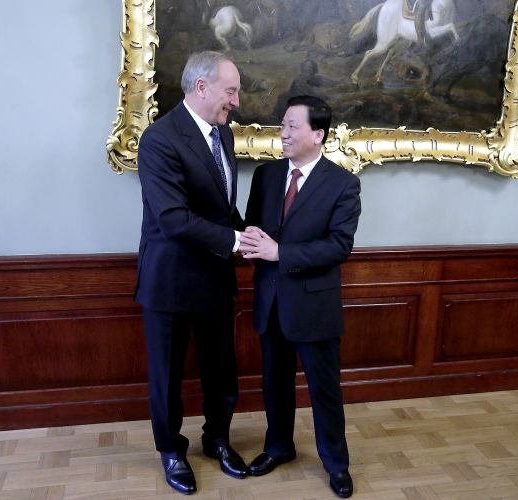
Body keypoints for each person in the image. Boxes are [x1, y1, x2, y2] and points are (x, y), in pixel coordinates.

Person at [135, 51, 249, 495]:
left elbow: (219, 207)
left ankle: (217, 440)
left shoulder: (224, 133)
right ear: (201, 87)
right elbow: (173, 218)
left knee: (222, 369)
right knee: (167, 376)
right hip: (170, 280)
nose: (235, 101)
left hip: (215, 277)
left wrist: (247, 233)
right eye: (230, 91)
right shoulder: (159, 139)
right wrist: (235, 241)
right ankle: (171, 451)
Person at [240, 95, 362, 498]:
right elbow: (255, 227)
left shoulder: (343, 183)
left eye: (292, 126)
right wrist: (248, 240)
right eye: (283, 125)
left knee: (324, 390)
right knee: (274, 383)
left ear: (318, 134)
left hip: (314, 306)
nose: (284, 133)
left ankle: (336, 465)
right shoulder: (266, 175)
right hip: (271, 300)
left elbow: (339, 246)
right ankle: (279, 447)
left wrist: (281, 253)